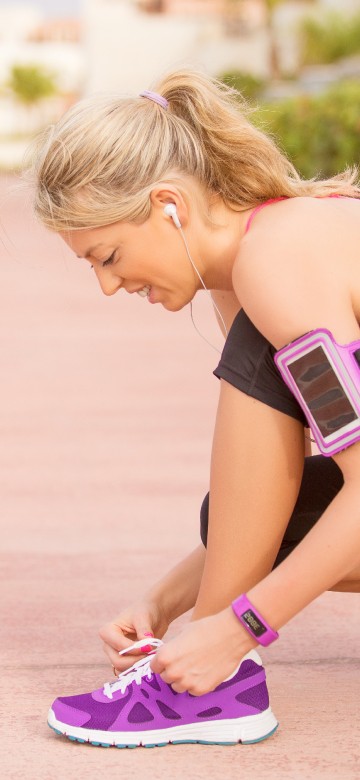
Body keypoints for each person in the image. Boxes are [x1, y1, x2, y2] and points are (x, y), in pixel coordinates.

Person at [30, 70, 360, 749]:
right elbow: (262, 506)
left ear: (169, 205)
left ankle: (214, 690)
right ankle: (215, 683)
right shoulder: (266, 252)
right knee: (235, 520)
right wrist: (168, 600)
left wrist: (235, 629)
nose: (108, 286)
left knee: (254, 358)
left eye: (108, 256)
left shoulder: (277, 260)